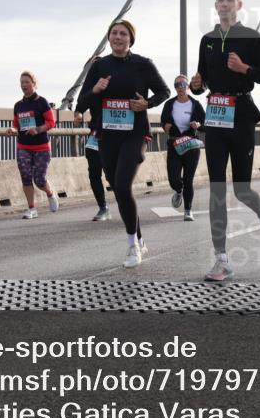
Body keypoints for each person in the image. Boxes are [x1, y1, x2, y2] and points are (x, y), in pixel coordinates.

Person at [190, 0, 260, 282]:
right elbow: (202, 80)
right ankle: (222, 260)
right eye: (220, 0)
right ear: (215, 5)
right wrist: (196, 86)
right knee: (217, 190)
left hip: (241, 116)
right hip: (216, 119)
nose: (225, 4)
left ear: (239, 5)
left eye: (230, 0)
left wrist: (245, 69)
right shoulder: (207, 40)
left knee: (241, 189)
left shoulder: (252, 38)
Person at [83, 19, 169, 268]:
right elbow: (82, 102)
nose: (118, 37)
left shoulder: (143, 64)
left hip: (135, 133)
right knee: (118, 190)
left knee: (122, 186)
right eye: (114, 33)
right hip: (107, 135)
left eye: (123, 34)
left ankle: (132, 246)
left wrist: (147, 104)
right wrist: (96, 90)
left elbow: (164, 91)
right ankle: (139, 237)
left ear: (131, 39)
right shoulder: (99, 66)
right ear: (109, 38)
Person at [7, 71, 59, 219]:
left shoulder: (42, 102)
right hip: (23, 146)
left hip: (41, 147)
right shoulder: (18, 106)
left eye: (27, 82)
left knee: (39, 179)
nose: (24, 85)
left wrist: (37, 129)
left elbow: (51, 123)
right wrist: (13, 129)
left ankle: (50, 194)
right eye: (22, 82)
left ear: (34, 84)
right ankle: (31, 208)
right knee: (25, 176)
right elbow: (17, 126)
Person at [161, 75, 206, 221]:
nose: (180, 87)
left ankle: (188, 210)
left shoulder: (195, 104)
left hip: (191, 146)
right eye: (176, 85)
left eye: (183, 84)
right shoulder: (169, 104)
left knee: (188, 180)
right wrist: (166, 126)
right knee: (173, 178)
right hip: (174, 145)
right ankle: (178, 190)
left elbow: (205, 124)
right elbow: (163, 121)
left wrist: (198, 125)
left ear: (188, 86)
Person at [75, 57, 111, 221]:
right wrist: (78, 113)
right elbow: (80, 104)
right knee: (94, 173)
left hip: (113, 134)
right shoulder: (90, 85)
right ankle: (103, 208)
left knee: (112, 175)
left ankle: (126, 205)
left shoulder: (114, 80)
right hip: (95, 134)